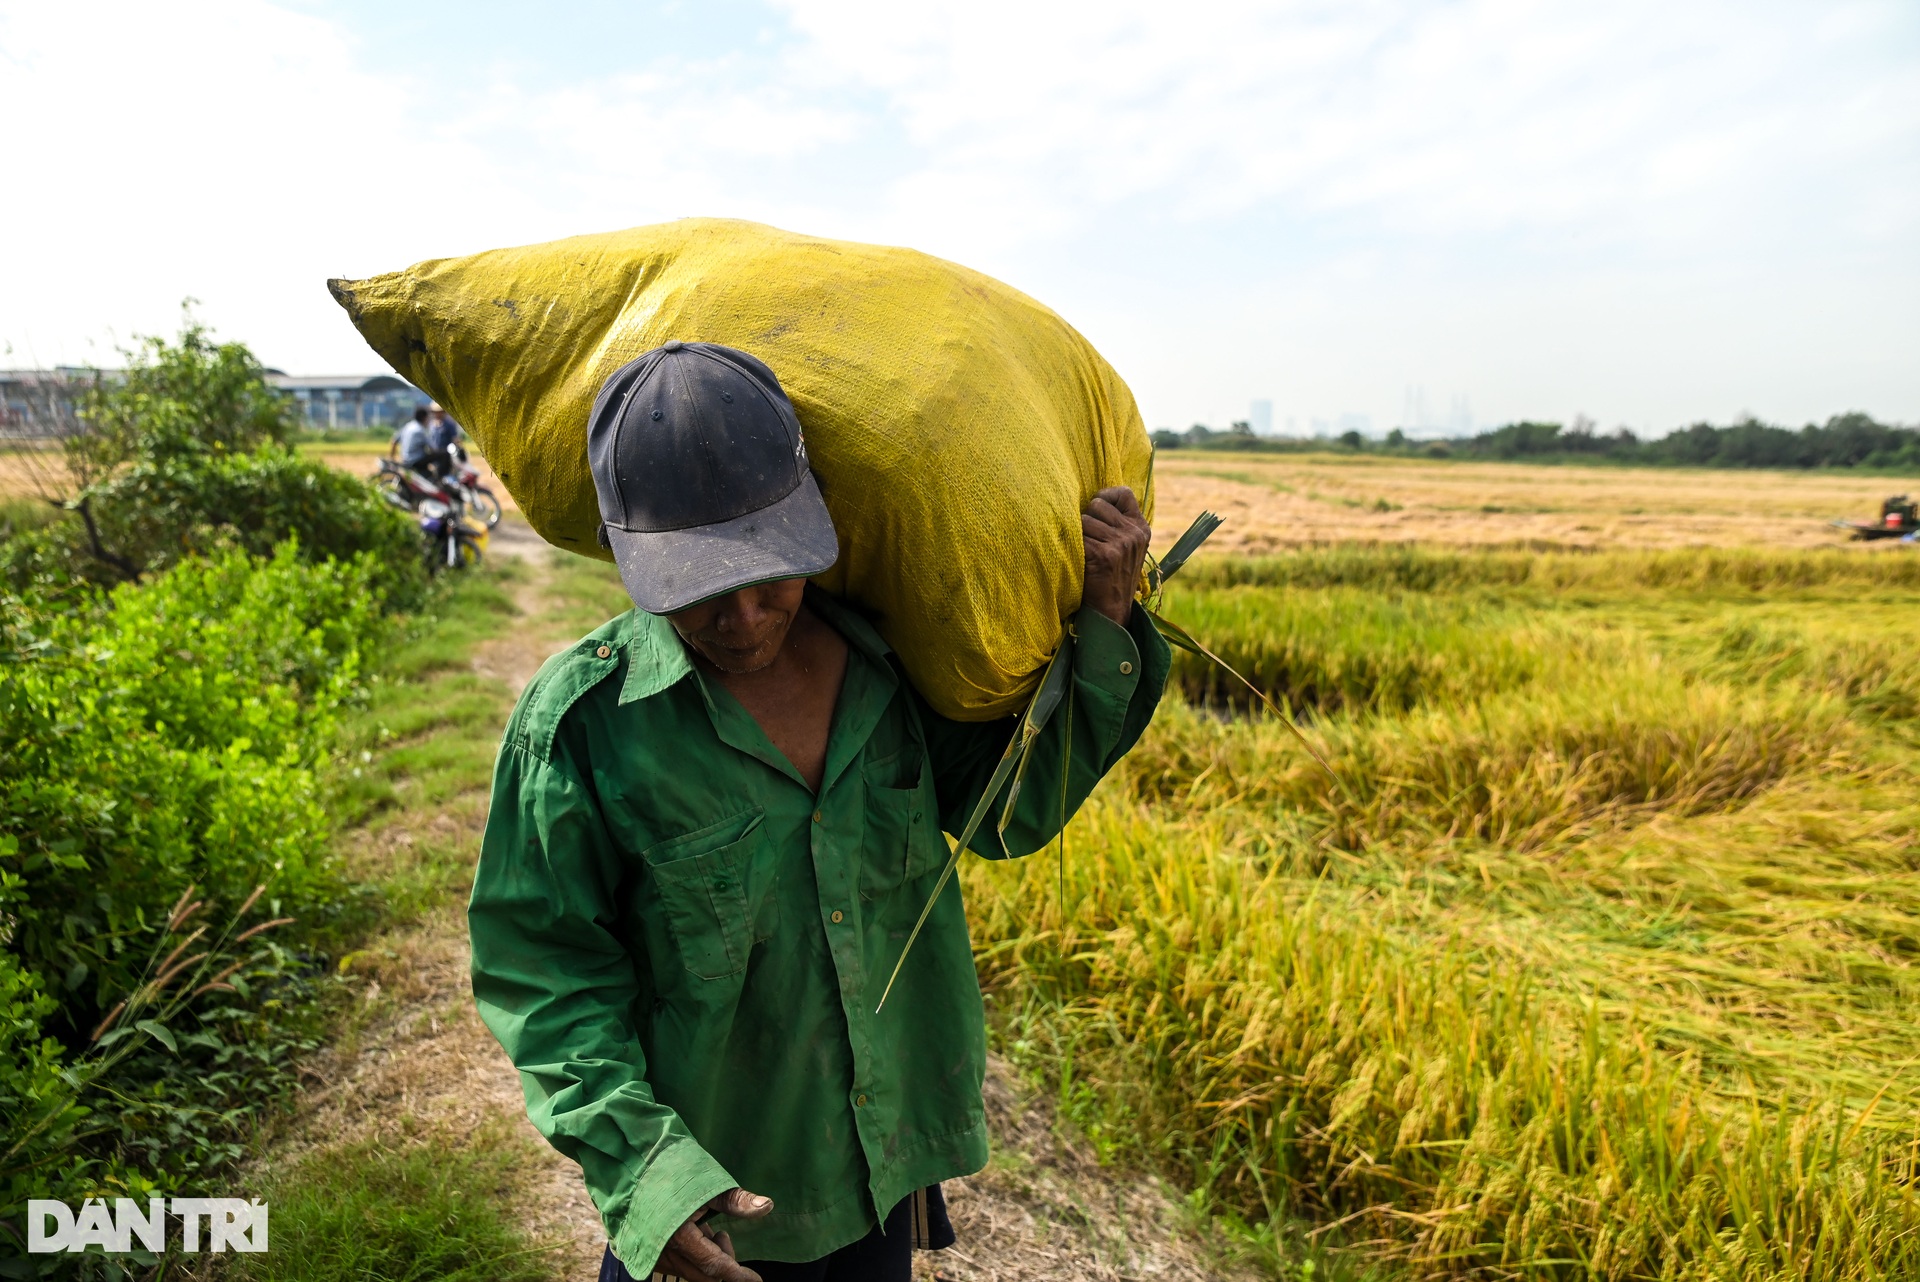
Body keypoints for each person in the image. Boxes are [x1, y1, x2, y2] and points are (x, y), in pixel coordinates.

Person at [468, 341, 1168, 1282]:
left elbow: (1011, 814)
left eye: (773, 573)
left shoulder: (901, 673)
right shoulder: (582, 726)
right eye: (701, 593)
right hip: (707, 1209)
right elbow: (546, 971)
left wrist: (1108, 624)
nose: (748, 616)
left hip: (876, 1183)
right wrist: (645, 1170)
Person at [425, 402, 463, 480]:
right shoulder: (431, 425)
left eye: (439, 412)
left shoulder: (449, 424)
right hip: (435, 455)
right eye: (435, 412)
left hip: (446, 456)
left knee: (445, 475)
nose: (437, 414)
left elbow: (455, 439)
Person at [390, 405, 433, 473]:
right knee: (442, 455)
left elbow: (394, 441)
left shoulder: (408, 426)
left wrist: (392, 458)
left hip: (405, 460)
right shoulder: (420, 430)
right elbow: (431, 448)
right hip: (416, 461)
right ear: (424, 418)